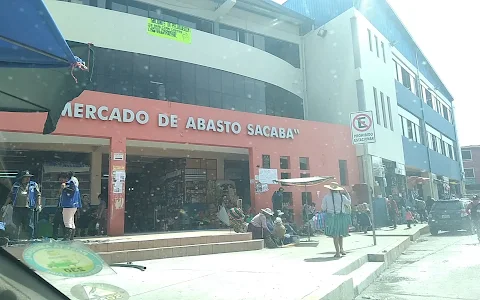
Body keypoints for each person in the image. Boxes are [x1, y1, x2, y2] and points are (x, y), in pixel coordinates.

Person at [2, 171, 41, 240]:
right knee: (16, 223)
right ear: (22, 178)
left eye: (29, 177)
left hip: (28, 208)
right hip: (17, 208)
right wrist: (5, 205)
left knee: (29, 224)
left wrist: (39, 204)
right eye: (26, 177)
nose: (28, 179)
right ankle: (15, 238)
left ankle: (29, 238)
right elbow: (10, 196)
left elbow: (38, 195)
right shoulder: (16, 185)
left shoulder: (34, 185)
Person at [321, 182, 351, 258]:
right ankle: (341, 249)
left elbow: (323, 208)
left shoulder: (326, 197)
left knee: (335, 235)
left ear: (330, 189)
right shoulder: (342, 196)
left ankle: (337, 252)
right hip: (341, 217)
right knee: (341, 234)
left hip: (331, 217)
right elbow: (349, 203)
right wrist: (347, 194)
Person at [59, 174, 82, 241]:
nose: (61, 181)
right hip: (74, 205)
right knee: (71, 221)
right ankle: (71, 236)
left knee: (67, 221)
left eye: (61, 179)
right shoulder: (75, 183)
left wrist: (64, 188)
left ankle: (67, 237)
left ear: (66, 178)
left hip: (68, 205)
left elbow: (71, 191)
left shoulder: (70, 184)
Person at [52, 173, 68, 240]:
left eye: (61, 178)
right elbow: (57, 195)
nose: (60, 180)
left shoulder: (68, 186)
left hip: (65, 207)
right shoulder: (60, 186)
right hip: (59, 206)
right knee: (56, 222)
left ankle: (66, 236)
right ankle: (54, 236)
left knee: (64, 222)